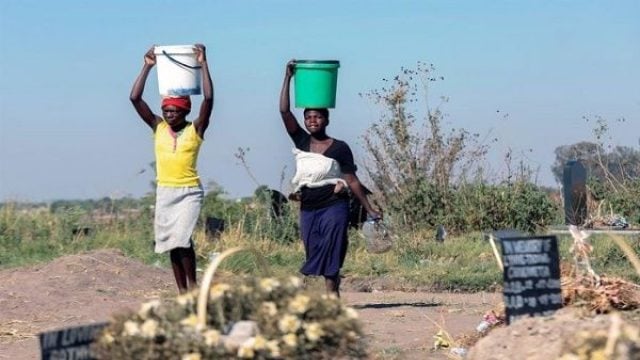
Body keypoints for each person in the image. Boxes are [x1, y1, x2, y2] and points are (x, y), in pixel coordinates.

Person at [279, 60, 381, 297]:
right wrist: (288, 78)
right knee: (313, 248)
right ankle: (325, 289)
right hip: (308, 206)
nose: (312, 121)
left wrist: (370, 208)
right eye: (308, 118)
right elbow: (284, 112)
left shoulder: (339, 148)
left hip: (334, 205)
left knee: (332, 246)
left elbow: (352, 180)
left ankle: (331, 292)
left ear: (327, 120)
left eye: (317, 117)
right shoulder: (302, 143)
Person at [130, 44, 213, 294]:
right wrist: (147, 66)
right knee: (171, 245)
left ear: (185, 111)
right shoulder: (158, 127)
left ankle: (194, 288)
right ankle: (183, 292)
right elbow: (135, 98)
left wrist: (203, 63)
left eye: (174, 111)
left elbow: (209, 99)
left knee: (182, 239)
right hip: (165, 191)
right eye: (165, 110)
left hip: (189, 192)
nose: (168, 115)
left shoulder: (194, 129)